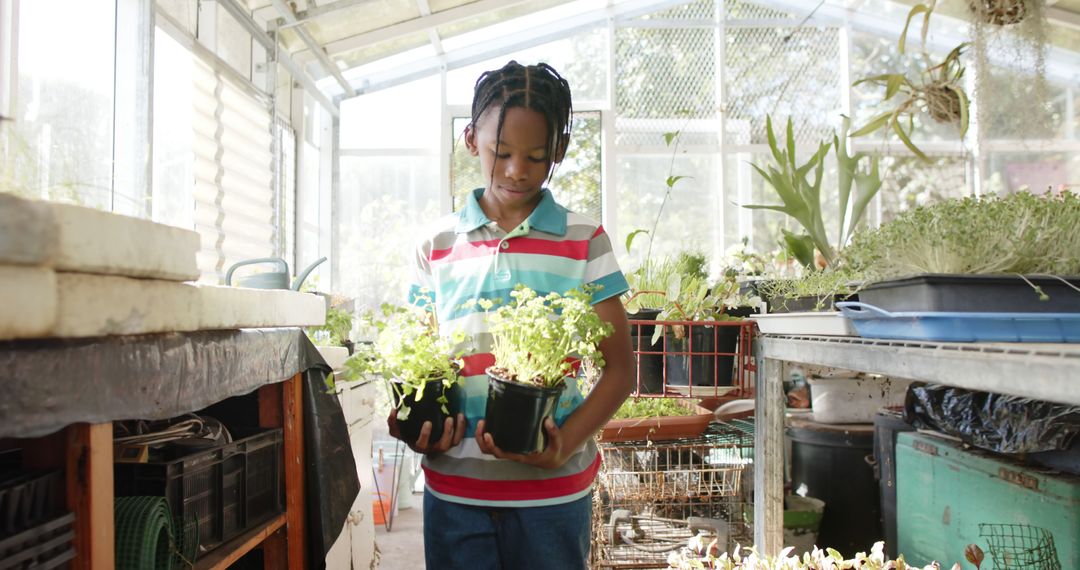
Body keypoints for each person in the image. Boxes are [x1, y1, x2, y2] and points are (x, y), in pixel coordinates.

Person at [387, 60, 634, 569]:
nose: (516, 170)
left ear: (558, 152)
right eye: (501, 153)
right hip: (456, 493)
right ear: (470, 139)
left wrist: (565, 443)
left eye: (535, 156)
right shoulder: (436, 245)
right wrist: (409, 419)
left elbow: (621, 370)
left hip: (553, 497)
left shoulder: (584, 241)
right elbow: (416, 366)